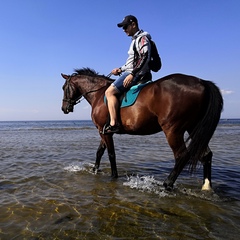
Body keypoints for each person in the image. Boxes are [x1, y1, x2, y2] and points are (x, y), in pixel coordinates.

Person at [104, 15, 152, 134]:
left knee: (109, 92)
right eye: (123, 27)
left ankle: (114, 123)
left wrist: (132, 74)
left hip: (136, 74)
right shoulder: (135, 40)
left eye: (125, 27)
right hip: (132, 71)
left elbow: (144, 57)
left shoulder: (142, 39)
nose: (124, 30)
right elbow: (133, 62)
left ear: (133, 25)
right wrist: (120, 69)